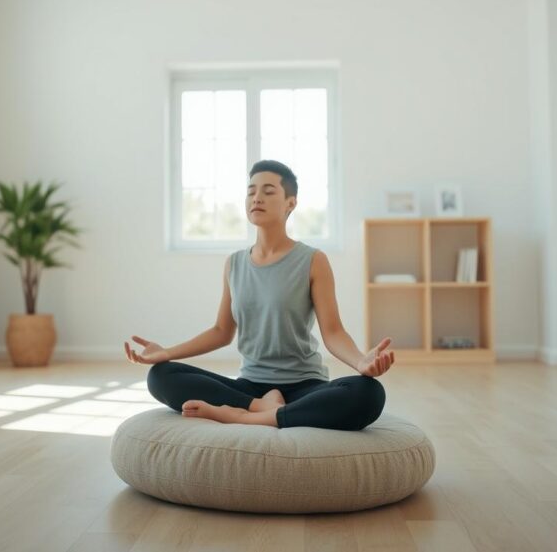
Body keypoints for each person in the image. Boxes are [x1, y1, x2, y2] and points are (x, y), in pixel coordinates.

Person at [123, 160, 395, 430]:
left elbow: (333, 332)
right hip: (250, 388)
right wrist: (166, 353)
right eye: (251, 191)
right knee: (160, 376)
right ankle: (261, 409)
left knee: (368, 393)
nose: (256, 198)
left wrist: (361, 361)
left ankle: (243, 416)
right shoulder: (235, 263)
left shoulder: (312, 260)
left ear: (291, 203)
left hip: (304, 385)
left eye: (268, 191)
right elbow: (221, 331)